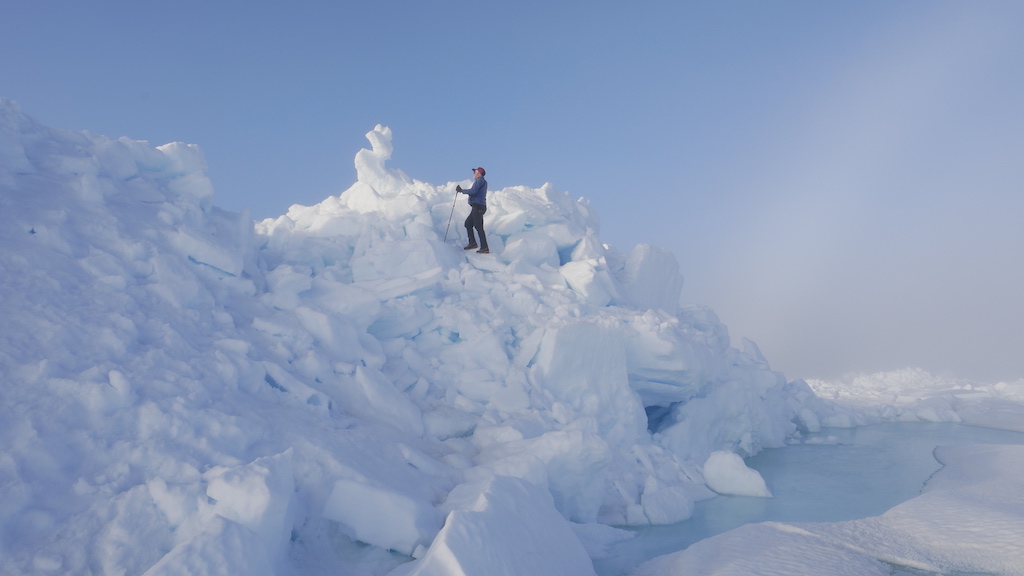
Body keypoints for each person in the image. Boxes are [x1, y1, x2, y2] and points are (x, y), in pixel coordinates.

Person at [456, 167, 489, 253]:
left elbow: (473, 191)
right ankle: (473, 243)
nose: (473, 174)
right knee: (468, 223)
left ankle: (484, 247)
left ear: (478, 174)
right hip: (477, 207)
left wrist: (461, 190)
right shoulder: (481, 181)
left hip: (478, 207)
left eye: (475, 172)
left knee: (478, 227)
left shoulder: (480, 181)